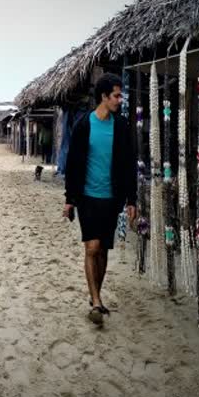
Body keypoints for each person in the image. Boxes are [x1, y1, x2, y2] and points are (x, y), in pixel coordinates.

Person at [62, 73, 137, 326]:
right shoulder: (84, 125)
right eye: (116, 95)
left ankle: (96, 295)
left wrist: (131, 200)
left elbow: (129, 166)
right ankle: (95, 301)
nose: (120, 100)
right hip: (87, 197)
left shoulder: (122, 126)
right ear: (104, 97)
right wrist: (70, 199)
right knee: (92, 247)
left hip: (111, 198)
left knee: (103, 249)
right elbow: (73, 165)